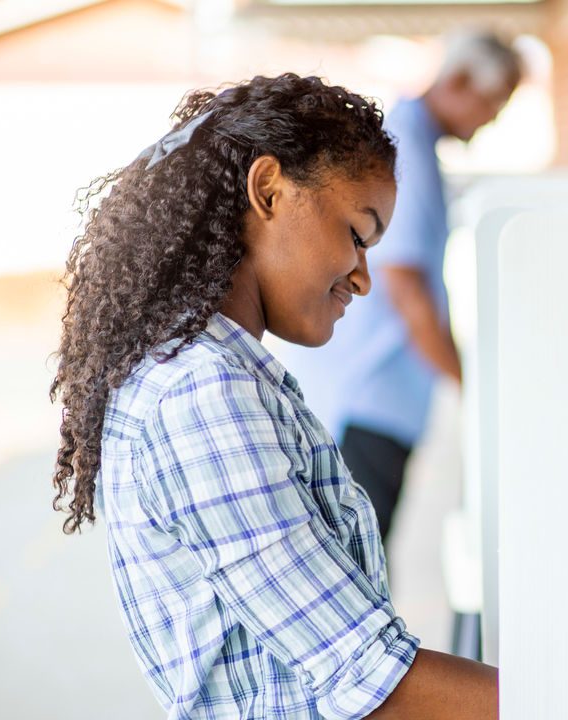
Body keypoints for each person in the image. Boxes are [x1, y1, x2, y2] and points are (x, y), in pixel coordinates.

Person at [50, 74, 495, 719]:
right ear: (268, 191)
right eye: (357, 235)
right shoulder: (202, 393)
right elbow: (371, 681)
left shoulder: (226, 371)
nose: (363, 278)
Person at [285, 32, 522, 546]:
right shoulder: (402, 149)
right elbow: (406, 289)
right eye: (495, 101)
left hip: (384, 402)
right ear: (458, 82)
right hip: (366, 400)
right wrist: (474, 388)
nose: (495, 118)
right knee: (355, 575)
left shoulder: (420, 144)